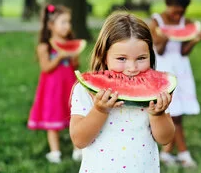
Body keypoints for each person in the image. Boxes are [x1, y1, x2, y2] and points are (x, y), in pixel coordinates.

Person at [69, 11, 175, 173]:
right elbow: (79, 140)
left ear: (150, 56)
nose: (132, 68)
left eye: (141, 58)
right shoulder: (84, 92)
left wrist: (158, 115)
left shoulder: (155, 94)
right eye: (121, 59)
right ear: (104, 56)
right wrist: (99, 110)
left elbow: (165, 139)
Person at [148, 0, 201, 168]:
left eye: (182, 12)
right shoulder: (156, 21)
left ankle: (166, 153)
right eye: (175, 11)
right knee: (174, 115)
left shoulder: (185, 22)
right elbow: (159, 49)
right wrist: (165, 36)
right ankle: (183, 153)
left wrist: (195, 39)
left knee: (176, 114)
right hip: (164, 71)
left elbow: (183, 51)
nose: (178, 15)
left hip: (181, 71)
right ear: (168, 5)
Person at [27, 4, 82, 163]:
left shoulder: (70, 41)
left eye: (69, 22)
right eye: (63, 22)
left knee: (74, 116)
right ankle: (55, 152)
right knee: (52, 119)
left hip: (68, 86)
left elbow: (75, 66)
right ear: (51, 25)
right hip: (52, 89)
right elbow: (46, 68)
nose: (68, 26)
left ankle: (77, 150)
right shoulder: (44, 46)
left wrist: (74, 56)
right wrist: (59, 56)